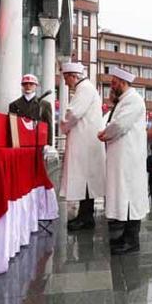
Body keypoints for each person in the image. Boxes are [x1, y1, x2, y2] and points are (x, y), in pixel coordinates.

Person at [98, 66, 149, 255]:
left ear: (122, 82)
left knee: (130, 198)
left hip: (129, 158)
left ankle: (132, 241)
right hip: (122, 157)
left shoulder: (133, 100)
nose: (111, 86)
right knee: (123, 196)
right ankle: (123, 237)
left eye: (113, 82)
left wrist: (104, 134)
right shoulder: (124, 101)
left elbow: (119, 125)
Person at [60, 62, 106, 232]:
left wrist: (63, 125)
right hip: (85, 140)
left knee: (85, 179)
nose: (65, 82)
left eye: (66, 78)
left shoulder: (84, 89)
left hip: (84, 141)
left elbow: (73, 113)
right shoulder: (86, 88)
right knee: (86, 179)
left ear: (73, 76)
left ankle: (85, 217)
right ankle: (85, 216)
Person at [8, 74, 53, 145]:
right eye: (25, 84)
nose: (28, 86)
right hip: (21, 141)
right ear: (22, 86)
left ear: (36, 86)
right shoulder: (14, 105)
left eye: (31, 84)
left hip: (38, 142)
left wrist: (49, 145)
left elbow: (49, 126)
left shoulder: (44, 105)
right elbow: (12, 126)